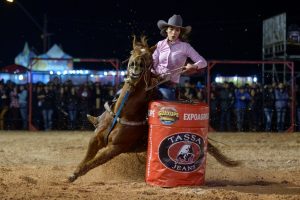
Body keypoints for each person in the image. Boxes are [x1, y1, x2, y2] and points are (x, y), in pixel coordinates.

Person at [152, 14, 207, 100]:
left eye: (177, 30)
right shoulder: (160, 44)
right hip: (153, 82)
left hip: (168, 85)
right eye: (171, 29)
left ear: (180, 32)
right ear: (166, 30)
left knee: (166, 96)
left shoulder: (185, 47)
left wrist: (194, 66)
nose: (174, 32)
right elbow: (153, 63)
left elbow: (203, 62)